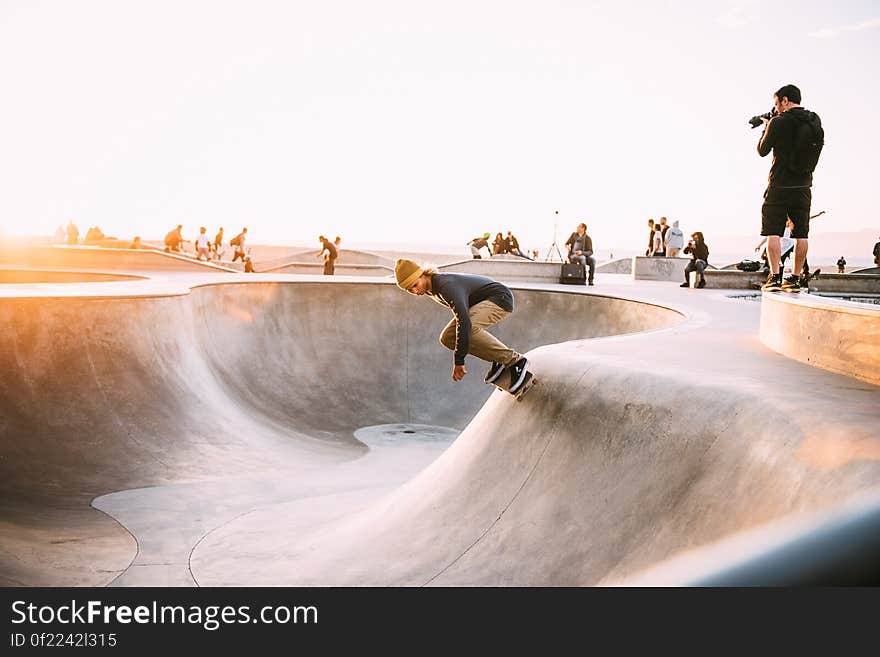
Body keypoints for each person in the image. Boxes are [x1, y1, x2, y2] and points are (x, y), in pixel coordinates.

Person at [394, 259, 532, 395]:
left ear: (422, 274)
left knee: (468, 329)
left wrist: (459, 361)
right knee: (447, 338)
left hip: (500, 298)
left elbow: (464, 322)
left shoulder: (445, 285)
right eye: (409, 290)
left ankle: (516, 361)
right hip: (484, 301)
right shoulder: (430, 289)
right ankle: (499, 359)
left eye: (415, 285)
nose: (415, 291)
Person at [757, 84, 823, 292]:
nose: (776, 108)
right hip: (804, 185)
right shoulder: (814, 120)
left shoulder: (778, 122)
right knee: (801, 233)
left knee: (773, 232)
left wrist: (767, 127)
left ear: (785, 100)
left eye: (777, 103)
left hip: (779, 184)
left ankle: (775, 278)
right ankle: (795, 278)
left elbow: (762, 150)